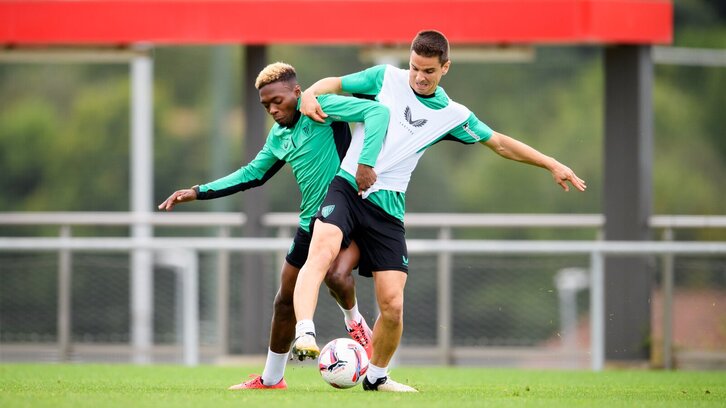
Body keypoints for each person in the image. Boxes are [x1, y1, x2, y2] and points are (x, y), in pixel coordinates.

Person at [291, 30, 587, 392]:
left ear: (446, 67)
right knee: (320, 253)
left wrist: (550, 163)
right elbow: (334, 83)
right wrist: (308, 94)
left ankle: (376, 376)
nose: (418, 76)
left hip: (388, 208)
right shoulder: (385, 76)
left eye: (428, 71)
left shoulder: (452, 114)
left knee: (393, 305)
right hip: (348, 185)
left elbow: (500, 144)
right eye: (415, 67)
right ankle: (305, 333)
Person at [158, 62, 390, 389]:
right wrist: (198, 191)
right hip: (311, 222)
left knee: (336, 275)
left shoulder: (321, 109)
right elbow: (252, 173)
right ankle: (271, 379)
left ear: (297, 92)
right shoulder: (278, 136)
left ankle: (356, 324)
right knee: (284, 300)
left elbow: (373, 111)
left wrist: (367, 161)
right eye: (266, 105)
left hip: (348, 216)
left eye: (277, 101)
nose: (272, 109)